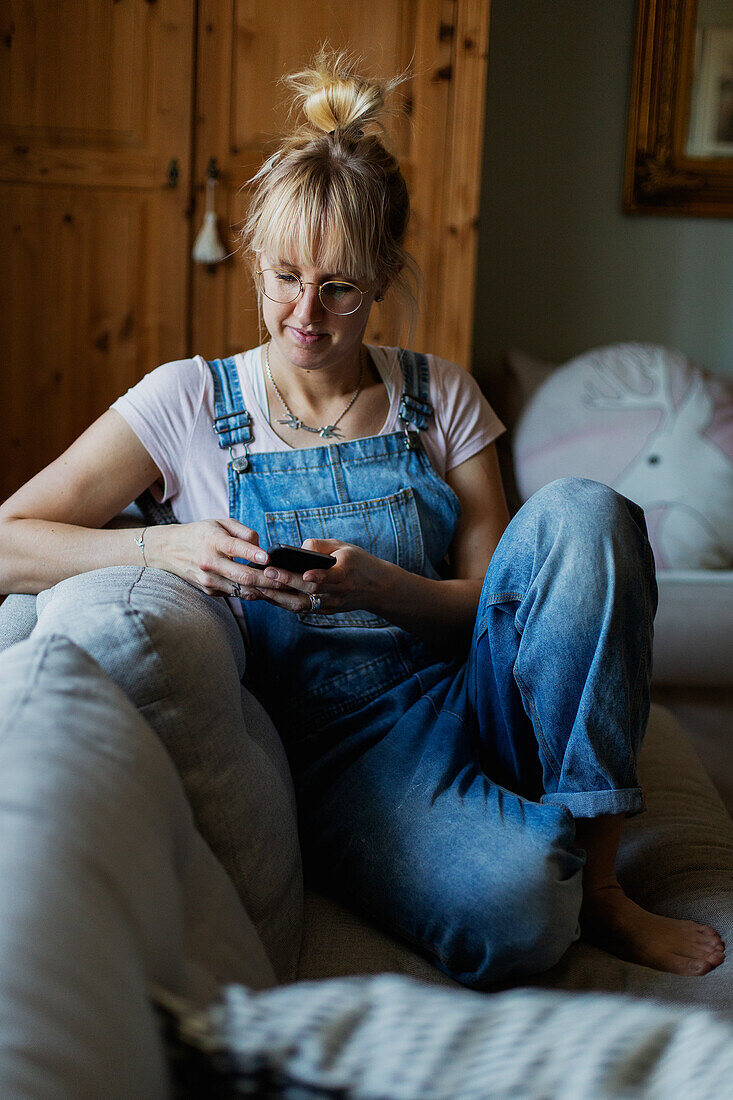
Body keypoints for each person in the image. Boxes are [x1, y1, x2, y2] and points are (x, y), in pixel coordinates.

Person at [0, 48, 724, 986]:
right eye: (287, 277)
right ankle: (522, 856)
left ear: (382, 277)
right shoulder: (185, 403)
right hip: (351, 763)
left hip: (477, 696)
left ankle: (604, 886)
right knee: (514, 915)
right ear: (257, 262)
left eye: (339, 284)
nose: (306, 312)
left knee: (589, 512)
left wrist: (385, 589)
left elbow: (504, 603)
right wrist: (167, 543)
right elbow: (10, 540)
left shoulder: (442, 397)